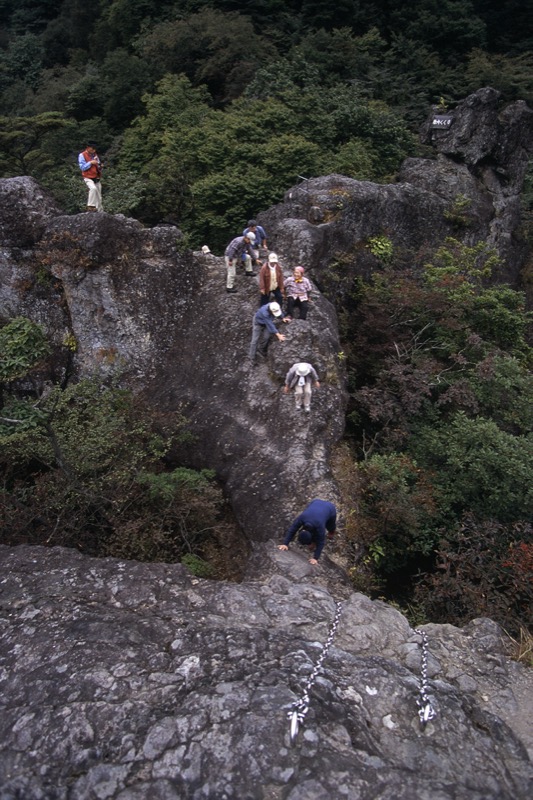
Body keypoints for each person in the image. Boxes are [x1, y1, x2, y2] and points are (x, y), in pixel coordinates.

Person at [278, 499, 337, 565]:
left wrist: (315, 558)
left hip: (330, 508)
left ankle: (331, 532)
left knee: (330, 526)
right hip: (315, 502)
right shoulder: (302, 518)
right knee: (312, 531)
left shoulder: (320, 527)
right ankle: (311, 541)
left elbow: (321, 542)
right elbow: (292, 529)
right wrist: (285, 543)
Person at [78, 143, 103, 212]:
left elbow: (98, 166)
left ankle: (99, 211)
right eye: (92, 149)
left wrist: (100, 166)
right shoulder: (82, 155)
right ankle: (91, 205)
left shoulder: (95, 155)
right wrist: (90, 163)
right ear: (88, 147)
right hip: (88, 177)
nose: (94, 151)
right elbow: (82, 167)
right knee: (93, 188)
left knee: (99, 198)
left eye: (94, 149)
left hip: (96, 177)